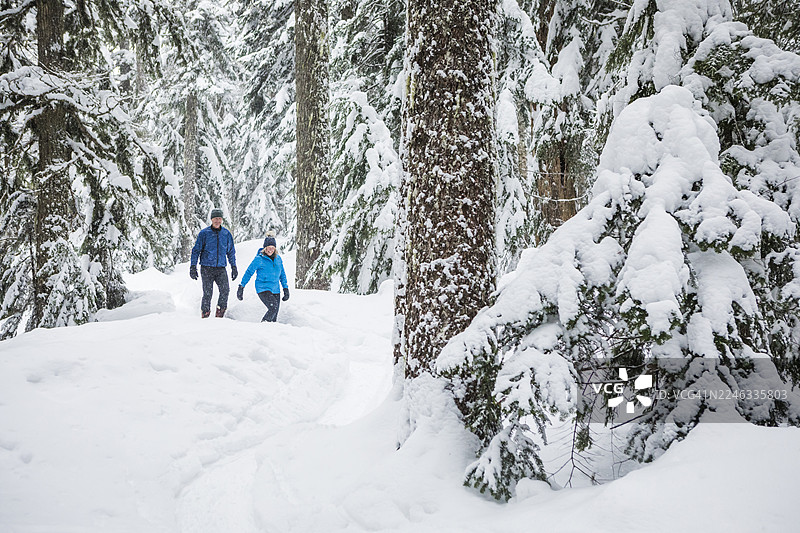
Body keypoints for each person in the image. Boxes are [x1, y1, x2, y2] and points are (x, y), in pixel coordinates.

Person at [190, 208, 237, 318]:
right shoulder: (204, 233)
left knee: (225, 290)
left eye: (219, 218)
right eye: (215, 218)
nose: (218, 221)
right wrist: (193, 266)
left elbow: (231, 251)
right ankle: (205, 314)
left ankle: (220, 313)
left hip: (220, 268)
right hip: (207, 268)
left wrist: (233, 266)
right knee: (207, 293)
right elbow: (196, 250)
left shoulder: (226, 234)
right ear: (211, 219)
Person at [237, 235, 290, 322]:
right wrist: (241, 286)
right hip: (263, 288)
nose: (270, 250)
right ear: (265, 248)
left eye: (272, 248)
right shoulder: (259, 259)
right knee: (273, 307)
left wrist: (285, 288)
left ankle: (269, 333)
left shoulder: (278, 259)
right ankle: (262, 327)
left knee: (274, 316)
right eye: (268, 247)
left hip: (275, 289)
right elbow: (249, 272)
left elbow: (282, 274)